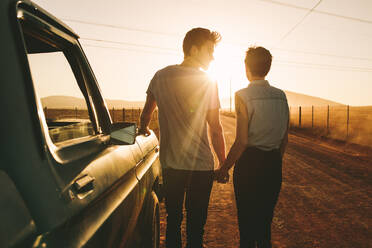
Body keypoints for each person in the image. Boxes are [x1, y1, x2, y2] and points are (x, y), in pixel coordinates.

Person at [139, 27, 226, 248]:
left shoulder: (160, 76)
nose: (213, 57)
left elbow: (146, 114)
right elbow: (215, 128)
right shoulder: (207, 81)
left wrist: (143, 129)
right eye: (209, 50)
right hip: (201, 167)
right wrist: (223, 163)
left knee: (173, 221)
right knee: (196, 226)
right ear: (194, 49)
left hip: (172, 165)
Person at [216, 46, 289, 248]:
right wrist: (273, 161)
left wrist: (224, 168)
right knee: (265, 225)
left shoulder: (242, 95)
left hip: (249, 165)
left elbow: (242, 141)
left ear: (246, 67)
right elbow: (284, 139)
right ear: (268, 67)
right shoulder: (281, 96)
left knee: (247, 228)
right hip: (273, 164)